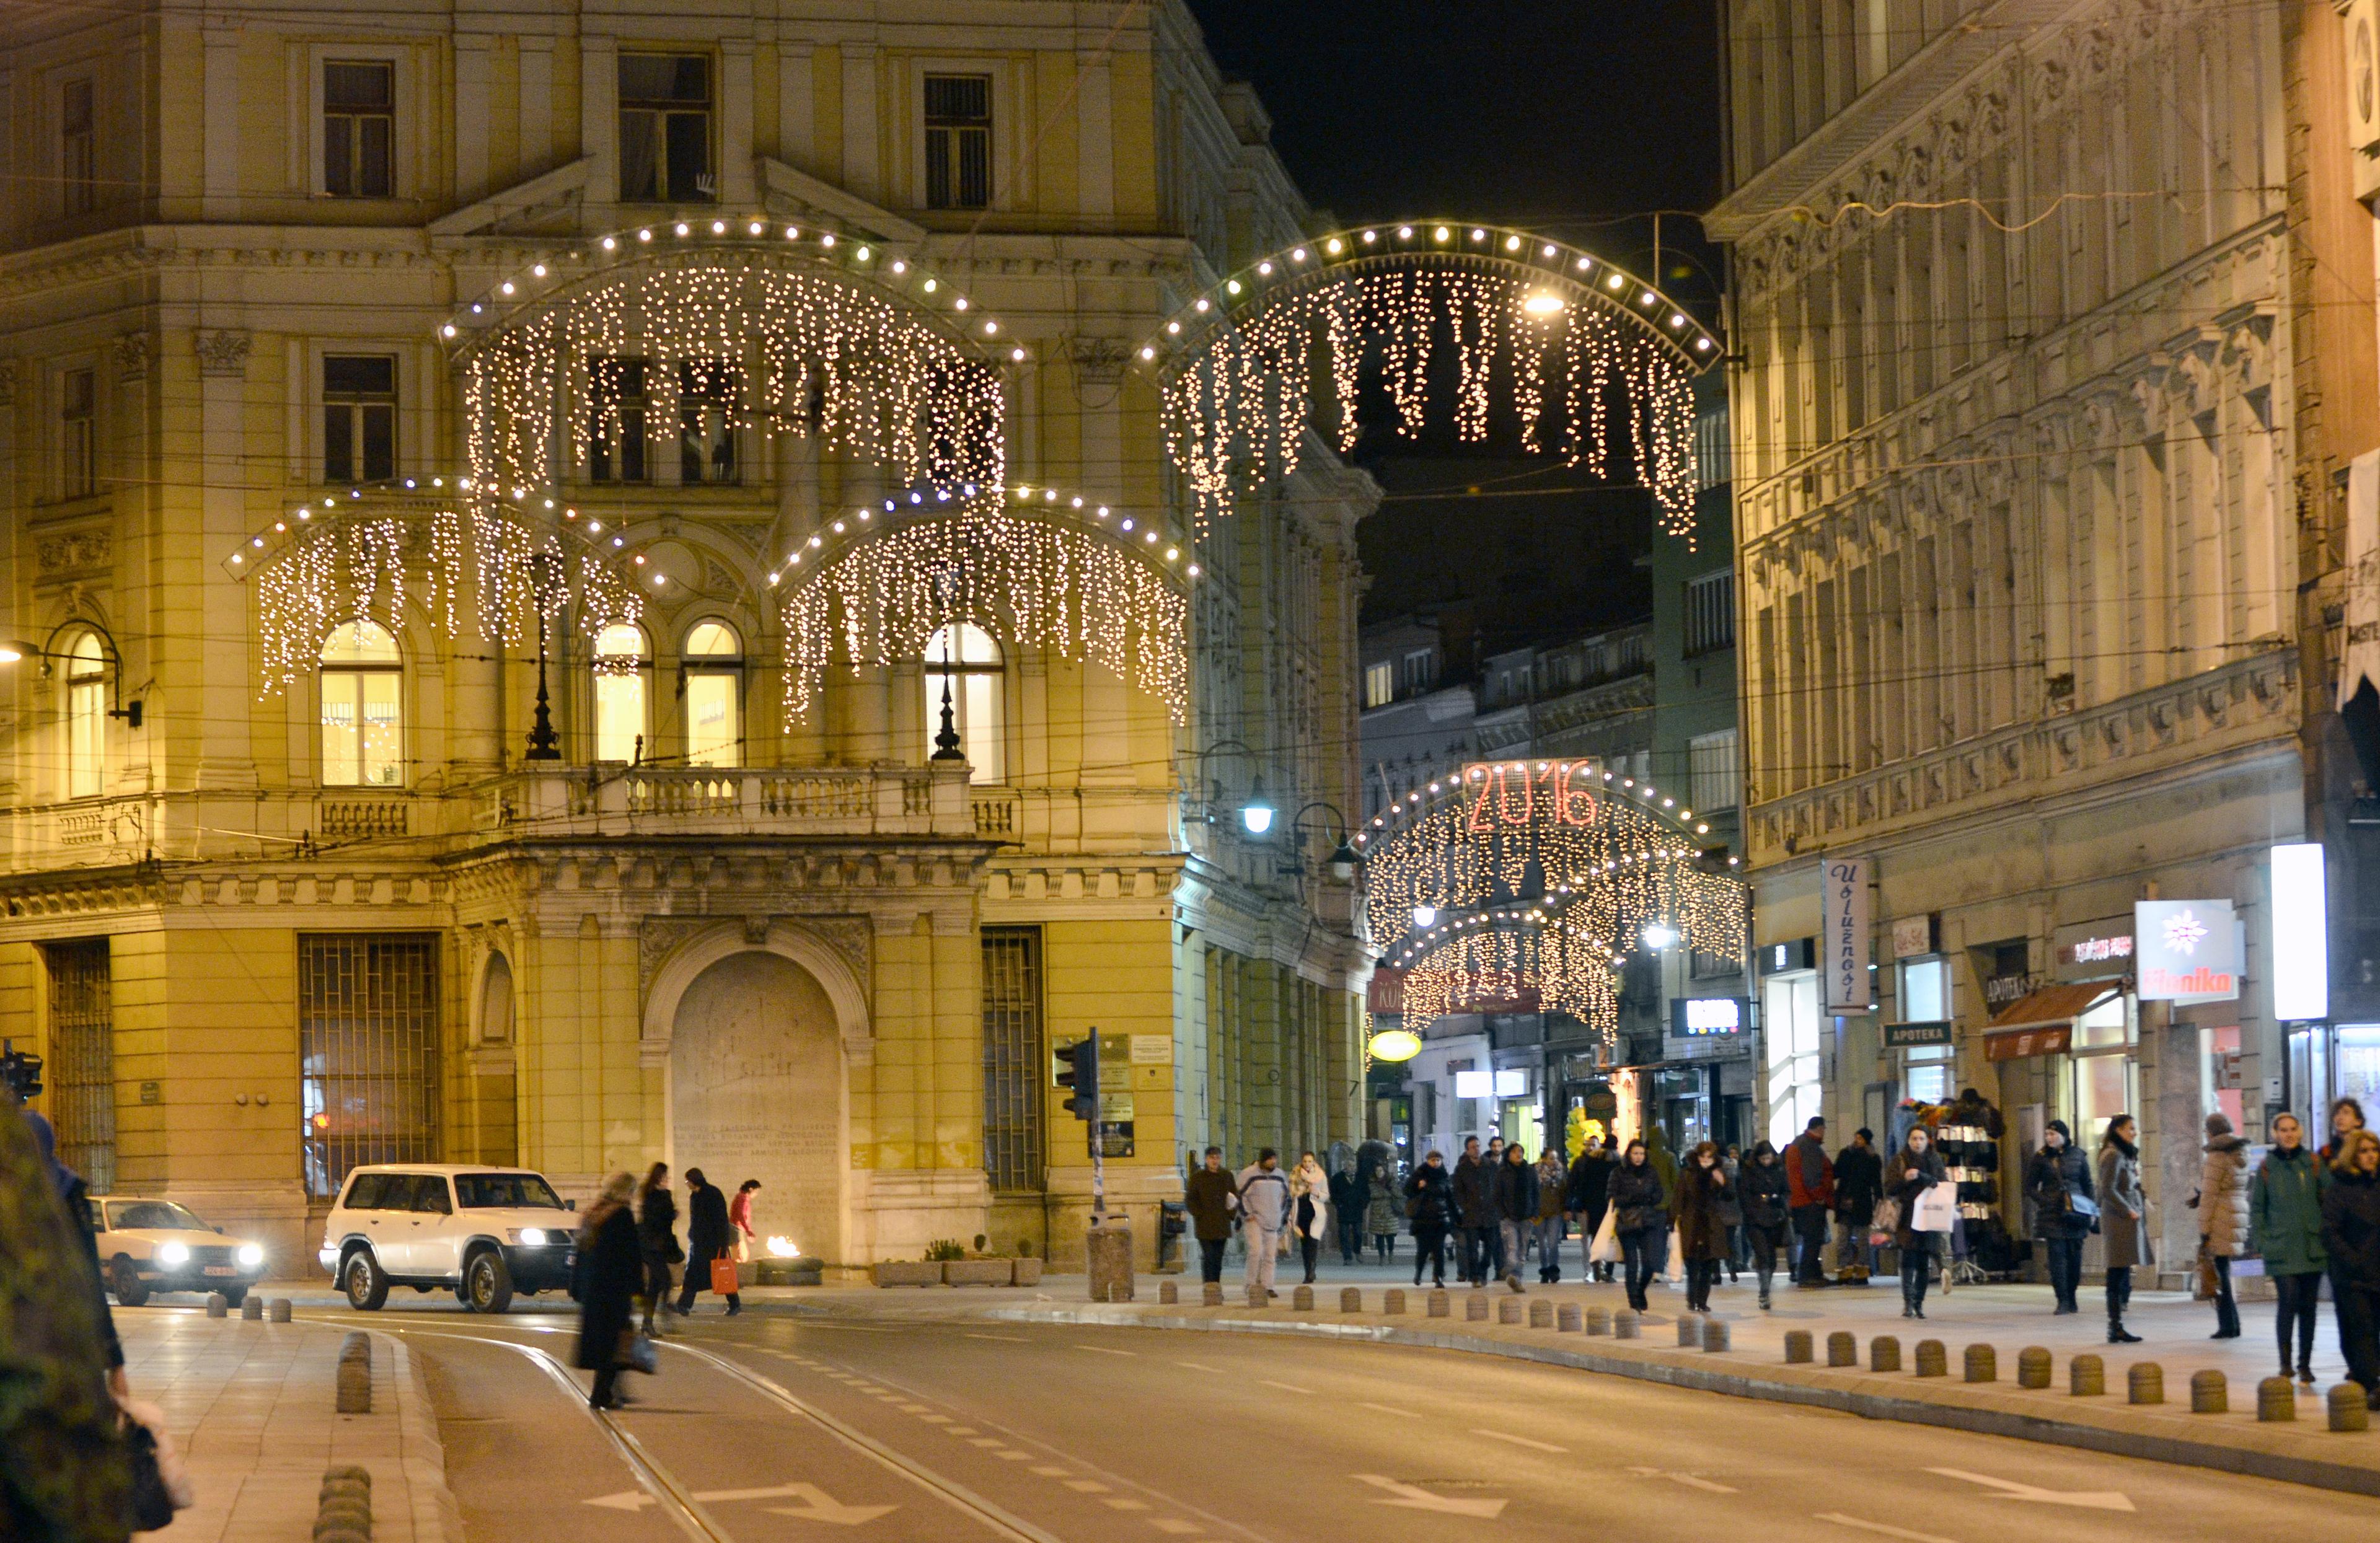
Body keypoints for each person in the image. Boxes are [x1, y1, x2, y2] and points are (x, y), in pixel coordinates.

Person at [1, 1094, 133, 1542]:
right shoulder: (57, 1199)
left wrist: (113, 1360)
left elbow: (89, 1286)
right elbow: (88, 1288)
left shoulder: (56, 1202)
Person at [2252, 1112, 2324, 1383]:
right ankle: (2285, 1364)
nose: (2289, 1134)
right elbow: (2258, 1208)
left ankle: (2305, 1365)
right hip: (2281, 1249)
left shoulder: (2313, 1163)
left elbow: (2328, 1201)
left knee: (2309, 1308)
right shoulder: (2267, 1167)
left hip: (2311, 1247)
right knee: (2288, 1302)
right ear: (2274, 1134)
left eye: (2293, 1129)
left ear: (2301, 1132)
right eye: (2283, 1130)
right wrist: (2263, 1241)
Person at [576, 1172, 645, 1412]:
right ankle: (601, 1394)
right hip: (614, 1289)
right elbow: (631, 1256)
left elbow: (581, 1252)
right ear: (626, 1191)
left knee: (603, 1341)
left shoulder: (592, 1213)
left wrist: (577, 1287)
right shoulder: (621, 1214)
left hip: (592, 1288)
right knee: (616, 1341)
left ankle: (604, 1392)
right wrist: (638, 1290)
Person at [2323, 1128, 2380, 1407]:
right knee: (2361, 1329)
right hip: (2353, 1276)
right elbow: (2331, 1232)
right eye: (2365, 1151)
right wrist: (2354, 1260)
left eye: (2374, 1150)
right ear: (2353, 1155)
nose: (2371, 1156)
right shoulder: (2340, 1189)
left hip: (2378, 1272)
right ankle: (2371, 1384)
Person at [2024, 1119, 2094, 1314]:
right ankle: (2062, 1299)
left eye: (2053, 1134)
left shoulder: (2078, 1155)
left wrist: (2091, 1209)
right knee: (2057, 1259)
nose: (2049, 1138)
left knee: (2075, 1259)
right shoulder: (2041, 1157)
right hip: (2052, 1215)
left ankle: (2072, 1296)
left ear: (2064, 1136)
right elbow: (2029, 1187)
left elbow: (2088, 1184)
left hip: (2076, 1213)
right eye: (2047, 1134)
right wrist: (2045, 1201)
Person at [1884, 1125, 1946, 1319]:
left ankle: (1919, 1303)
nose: (1917, 1143)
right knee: (1908, 1258)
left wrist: (1920, 1176)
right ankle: (1908, 1303)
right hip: (1907, 1217)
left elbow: (1940, 1183)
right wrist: (1905, 1179)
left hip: (1929, 1216)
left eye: (1921, 1139)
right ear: (1908, 1141)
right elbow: (1890, 1188)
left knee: (1923, 1260)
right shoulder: (1900, 1160)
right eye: (1914, 1139)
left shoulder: (1934, 1159)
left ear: (1928, 1141)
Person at [2096, 1114, 2148, 1344]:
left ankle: (2116, 1325)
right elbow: (2108, 1189)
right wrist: (2128, 1209)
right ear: (2118, 1130)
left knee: (2121, 1271)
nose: (2134, 1133)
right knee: (2117, 1273)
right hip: (2118, 1221)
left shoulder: (2122, 1154)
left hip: (2125, 1219)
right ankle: (2115, 1326)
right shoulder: (2113, 1155)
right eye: (2130, 1129)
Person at [2199, 1112, 2250, 1340]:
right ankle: (2234, 1323)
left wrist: (2203, 1229)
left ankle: (2227, 1325)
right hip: (2237, 1213)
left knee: (2219, 1274)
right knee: (2225, 1272)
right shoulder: (2239, 1152)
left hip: (2221, 1216)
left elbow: (2209, 1196)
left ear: (2211, 1132)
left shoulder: (2216, 1156)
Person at [1609, 1138, 1667, 1312]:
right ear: (1629, 1154)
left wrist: (1650, 1199)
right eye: (1635, 1153)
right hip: (1627, 1222)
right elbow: (1611, 1197)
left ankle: (1641, 1290)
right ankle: (1633, 1301)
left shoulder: (1651, 1172)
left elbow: (1659, 1193)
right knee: (1632, 1264)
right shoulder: (1619, 1172)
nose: (1639, 1157)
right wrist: (1631, 1199)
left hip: (1648, 1221)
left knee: (1650, 1264)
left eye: (1642, 1154)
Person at [1676, 1142, 1729, 1314]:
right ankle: (1692, 1300)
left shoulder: (1718, 1174)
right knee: (1692, 1266)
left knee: (1708, 1265)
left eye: (1709, 1157)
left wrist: (1723, 1183)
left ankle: (1702, 1301)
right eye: (1703, 1157)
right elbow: (1679, 1198)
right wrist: (1674, 1220)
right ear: (1697, 1158)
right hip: (1692, 1224)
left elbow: (1730, 1197)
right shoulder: (1687, 1174)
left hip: (1711, 1225)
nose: (1706, 1161)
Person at [1740, 1140, 1791, 1309]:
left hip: (1775, 1219)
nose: (1766, 1162)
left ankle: (1766, 1289)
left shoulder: (1779, 1171)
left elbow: (1786, 1192)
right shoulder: (1749, 1172)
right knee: (1763, 1255)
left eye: (1769, 1158)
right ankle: (1764, 1292)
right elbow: (1744, 1195)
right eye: (1763, 1159)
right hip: (1756, 1221)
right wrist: (1752, 1211)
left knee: (1772, 1258)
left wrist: (1781, 1202)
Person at [674, 1168, 732, 1316]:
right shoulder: (695, 1195)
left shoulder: (713, 1194)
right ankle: (684, 1305)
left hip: (713, 1244)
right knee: (692, 1274)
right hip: (698, 1243)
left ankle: (735, 1303)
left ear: (694, 1180)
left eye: (687, 1181)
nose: (687, 1184)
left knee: (720, 1274)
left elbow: (722, 1220)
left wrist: (724, 1244)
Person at [1235, 1148, 1291, 1299]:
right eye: (1270, 1159)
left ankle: (1268, 1286)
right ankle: (1250, 1284)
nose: (1273, 1162)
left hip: (1272, 1220)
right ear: (1262, 1160)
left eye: (1275, 1159)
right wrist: (1247, 1214)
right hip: (1254, 1220)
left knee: (1270, 1255)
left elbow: (1286, 1196)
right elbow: (1240, 1196)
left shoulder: (1279, 1175)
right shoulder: (1250, 1174)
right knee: (1256, 1252)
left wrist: (1280, 1214)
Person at [1786, 1116, 1835, 1287]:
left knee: (1811, 1238)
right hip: (1808, 1201)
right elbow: (1811, 1176)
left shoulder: (1799, 1142)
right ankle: (1807, 1276)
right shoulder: (1809, 1146)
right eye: (1824, 1129)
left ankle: (1814, 1273)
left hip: (1799, 1200)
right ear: (1820, 1128)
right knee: (1813, 1239)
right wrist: (1820, 1197)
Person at [636, 1163, 682, 1335]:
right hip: (653, 1246)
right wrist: (673, 1213)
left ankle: (647, 1323)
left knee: (655, 1286)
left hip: (655, 1246)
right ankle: (664, 1308)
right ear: (659, 1177)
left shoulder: (651, 1194)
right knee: (666, 1279)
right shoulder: (657, 1195)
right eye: (666, 1177)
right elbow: (660, 1219)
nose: (668, 1180)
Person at [1834, 1127, 1884, 1284]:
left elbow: (1876, 1182)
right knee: (1843, 1238)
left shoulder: (1873, 1158)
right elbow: (1836, 1172)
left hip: (1862, 1202)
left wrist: (1879, 1200)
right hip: (1844, 1201)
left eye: (1861, 1138)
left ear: (1867, 1141)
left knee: (1862, 1240)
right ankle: (1844, 1272)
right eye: (1856, 1137)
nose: (1857, 1140)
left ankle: (1862, 1272)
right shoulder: (1846, 1154)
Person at [1184, 1147, 1239, 1285]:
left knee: (1218, 1259)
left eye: (1217, 1158)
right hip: (1205, 1225)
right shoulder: (1198, 1177)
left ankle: (1216, 1285)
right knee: (1209, 1256)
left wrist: (1230, 1213)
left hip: (1222, 1224)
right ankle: (1208, 1286)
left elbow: (1234, 1196)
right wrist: (1199, 1214)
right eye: (1212, 1158)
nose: (1215, 1161)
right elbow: (1190, 1199)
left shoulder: (1227, 1176)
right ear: (1206, 1159)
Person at [1403, 1151, 1458, 1287]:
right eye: (1433, 1160)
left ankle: (1438, 1277)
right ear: (1428, 1161)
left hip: (1439, 1219)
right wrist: (1418, 1186)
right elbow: (1407, 1191)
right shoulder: (1419, 1174)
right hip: (1422, 1220)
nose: (1436, 1163)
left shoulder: (1444, 1176)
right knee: (1423, 1250)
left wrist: (1456, 1217)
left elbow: (1450, 1198)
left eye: (1438, 1160)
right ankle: (1419, 1274)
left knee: (1439, 1250)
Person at [1490, 1140, 1538, 1293]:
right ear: (1508, 1155)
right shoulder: (1503, 1172)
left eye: (1521, 1152)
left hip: (1527, 1217)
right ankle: (1509, 1270)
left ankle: (1516, 1279)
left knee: (1523, 1251)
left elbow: (1536, 1193)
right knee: (1512, 1249)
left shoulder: (1530, 1171)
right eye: (1515, 1152)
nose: (1519, 1154)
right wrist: (1503, 1215)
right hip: (1509, 1218)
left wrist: (1535, 1213)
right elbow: (1497, 1196)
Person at [1566, 1136, 1615, 1282]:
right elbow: (1572, 1185)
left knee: (1602, 1237)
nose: (1590, 1147)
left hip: (1601, 1206)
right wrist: (1570, 1206)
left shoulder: (1605, 1162)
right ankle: (1589, 1270)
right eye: (1588, 1144)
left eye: (1593, 1145)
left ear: (1600, 1146)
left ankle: (1600, 1266)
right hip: (1584, 1207)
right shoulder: (1580, 1162)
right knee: (1586, 1240)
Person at [1452, 1136, 1497, 1288]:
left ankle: (1483, 1269)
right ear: (1467, 1150)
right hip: (1472, 1215)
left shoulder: (1491, 1166)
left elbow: (1497, 1187)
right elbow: (1458, 1192)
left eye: (1478, 1146)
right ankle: (1475, 1276)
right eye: (1472, 1147)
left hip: (1490, 1214)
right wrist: (1465, 1206)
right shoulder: (1462, 1169)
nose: (1476, 1149)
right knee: (1472, 1248)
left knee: (1489, 1248)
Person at [1644, 1126, 1681, 1285]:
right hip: (1664, 1205)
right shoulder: (1669, 1157)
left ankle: (1648, 1267)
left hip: (1645, 1204)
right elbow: (1677, 1181)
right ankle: (1658, 1270)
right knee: (1661, 1238)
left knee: (1647, 1238)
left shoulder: (1644, 1157)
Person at [1289, 1151, 1331, 1286]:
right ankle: (1307, 1271)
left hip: (1315, 1212)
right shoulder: (1295, 1174)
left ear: (1314, 1162)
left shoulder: (1320, 1175)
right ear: (1302, 1162)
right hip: (1301, 1211)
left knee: (1313, 1242)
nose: (1307, 1164)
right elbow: (1290, 1193)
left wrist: (1316, 1193)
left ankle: (1312, 1271)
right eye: (1305, 1161)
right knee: (1304, 1243)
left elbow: (1326, 1195)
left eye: (1310, 1161)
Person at [1532, 1145, 1568, 1285]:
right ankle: (1544, 1270)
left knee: (1553, 1243)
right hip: (1539, 1212)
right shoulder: (1535, 1172)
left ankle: (1554, 1270)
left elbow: (1565, 1191)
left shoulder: (1561, 1172)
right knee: (1542, 1244)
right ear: (1543, 1159)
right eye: (1551, 1158)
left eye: (1556, 1158)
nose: (1555, 1161)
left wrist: (1566, 1209)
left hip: (1555, 1212)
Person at [727, 1179, 762, 1314]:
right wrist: (748, 1230)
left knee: (742, 1255)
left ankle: (737, 1284)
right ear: (751, 1189)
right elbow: (741, 1216)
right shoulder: (742, 1198)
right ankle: (735, 1284)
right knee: (740, 1256)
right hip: (737, 1230)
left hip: (739, 1230)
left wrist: (748, 1230)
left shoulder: (742, 1198)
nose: (756, 1195)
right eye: (757, 1191)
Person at [1329, 1159, 1365, 1267]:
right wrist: (1338, 1204)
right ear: (1345, 1166)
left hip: (1357, 1210)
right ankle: (1347, 1257)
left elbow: (1366, 1192)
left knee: (1358, 1233)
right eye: (1349, 1165)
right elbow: (1333, 1193)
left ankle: (1357, 1251)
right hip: (1343, 1210)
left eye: (1353, 1165)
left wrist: (1363, 1204)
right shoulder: (1337, 1178)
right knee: (1344, 1234)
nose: (1352, 1167)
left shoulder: (1360, 1178)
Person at [1365, 1163, 1403, 1264]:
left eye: (1381, 1171)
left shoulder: (1391, 1182)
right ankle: (1382, 1256)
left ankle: (1391, 1252)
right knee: (1379, 1236)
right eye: (1377, 1171)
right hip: (1377, 1212)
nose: (1379, 1173)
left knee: (1390, 1235)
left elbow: (1399, 1194)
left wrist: (1390, 1189)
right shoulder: (1371, 1184)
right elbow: (1369, 1196)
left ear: (1384, 1172)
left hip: (1390, 1211)